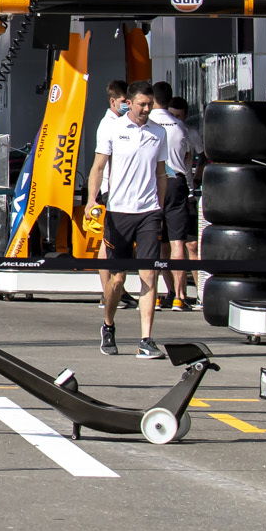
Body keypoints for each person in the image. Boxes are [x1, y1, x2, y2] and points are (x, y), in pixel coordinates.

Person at [93, 78, 171, 357]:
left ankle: (146, 340)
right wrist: (92, 201)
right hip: (118, 212)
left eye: (150, 104)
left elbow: (161, 173)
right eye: (142, 104)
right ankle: (108, 324)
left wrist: (159, 207)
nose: (147, 109)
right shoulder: (113, 129)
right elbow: (98, 167)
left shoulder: (158, 133)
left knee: (150, 273)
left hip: (148, 212)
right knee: (117, 280)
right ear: (129, 102)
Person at [149, 81, 199, 311]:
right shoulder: (181, 127)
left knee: (158, 241)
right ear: (169, 100)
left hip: (154, 183)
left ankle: (160, 292)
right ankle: (180, 296)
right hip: (178, 184)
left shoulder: (147, 125)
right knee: (178, 241)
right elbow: (188, 158)